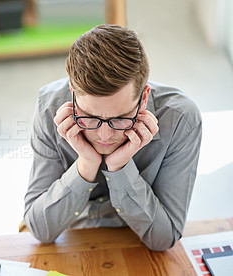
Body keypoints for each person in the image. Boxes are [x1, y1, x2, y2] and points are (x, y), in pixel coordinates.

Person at [23, 24, 202, 251]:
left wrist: (119, 168)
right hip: (74, 241)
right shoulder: (50, 107)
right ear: (72, 91)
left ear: (144, 97)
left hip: (137, 245)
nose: (104, 135)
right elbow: (40, 230)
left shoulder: (180, 119)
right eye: (89, 117)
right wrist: (86, 164)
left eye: (120, 118)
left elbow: (163, 239)